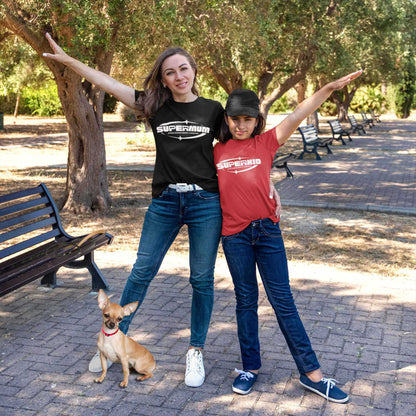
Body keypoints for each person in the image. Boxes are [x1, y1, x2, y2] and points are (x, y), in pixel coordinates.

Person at [43, 33, 226, 387]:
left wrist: (266, 186)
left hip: (205, 202)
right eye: (170, 72)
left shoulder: (213, 110)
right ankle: (112, 346)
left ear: (193, 71)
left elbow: (240, 150)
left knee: (201, 279)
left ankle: (196, 352)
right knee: (142, 271)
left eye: (183, 69)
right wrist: (70, 62)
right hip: (165, 202)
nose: (178, 76)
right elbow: (108, 83)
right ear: (162, 79)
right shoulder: (154, 105)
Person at [213, 70, 362, 401]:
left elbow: (299, 113)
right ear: (227, 119)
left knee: (283, 302)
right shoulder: (216, 151)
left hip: (267, 232)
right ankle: (250, 367)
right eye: (235, 118)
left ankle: (312, 374)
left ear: (256, 121)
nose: (241, 124)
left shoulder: (266, 142)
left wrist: (326, 87)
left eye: (247, 119)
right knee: (245, 301)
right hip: (234, 236)